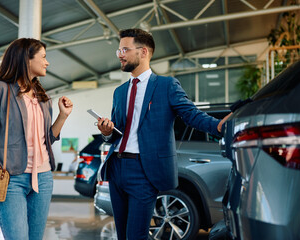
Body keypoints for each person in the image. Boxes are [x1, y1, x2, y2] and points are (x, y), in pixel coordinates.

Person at [97, 28, 231, 240]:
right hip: (117, 169)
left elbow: (191, 115)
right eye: (118, 50)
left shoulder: (166, 86)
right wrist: (107, 132)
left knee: (136, 235)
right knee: (122, 235)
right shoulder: (120, 92)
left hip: (143, 170)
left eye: (124, 49)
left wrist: (218, 127)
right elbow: (118, 133)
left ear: (143, 52)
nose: (120, 54)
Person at [0, 38, 73, 240]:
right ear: (27, 59)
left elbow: (47, 139)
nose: (47, 62)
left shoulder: (41, 95)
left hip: (43, 178)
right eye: (43, 57)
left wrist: (63, 115)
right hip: (11, 179)